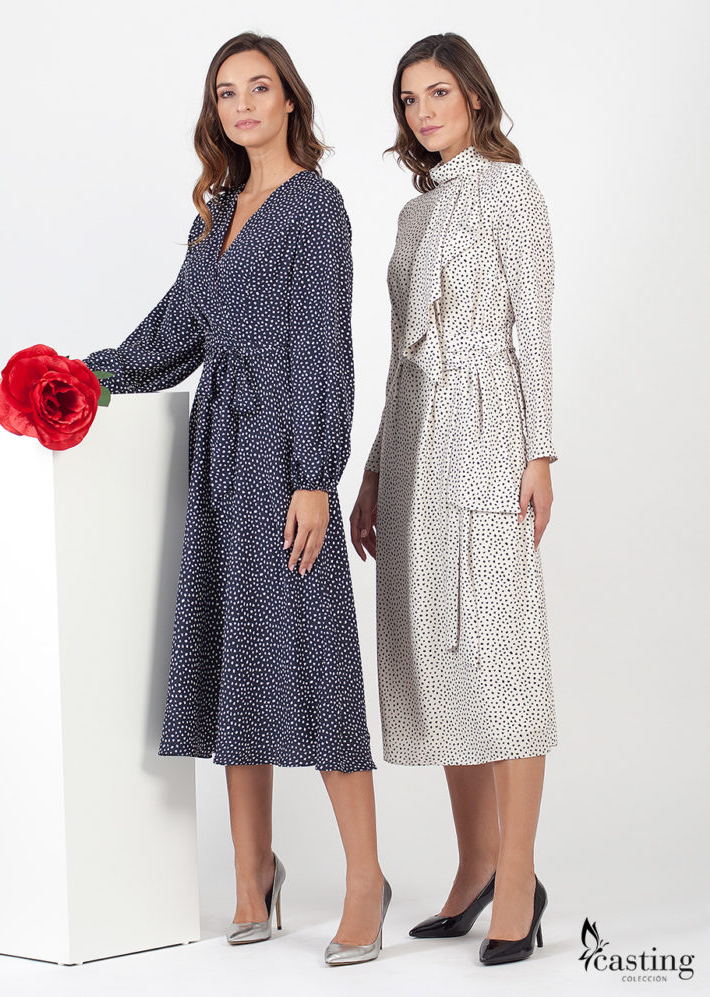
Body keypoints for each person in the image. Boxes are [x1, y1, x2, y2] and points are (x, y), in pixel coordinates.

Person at [0, 31, 390, 968]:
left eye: (259, 88)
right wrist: (55, 379)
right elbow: (169, 335)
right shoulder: (216, 212)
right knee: (232, 656)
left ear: (290, 100)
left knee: (317, 662)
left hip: (284, 455)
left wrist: (316, 473)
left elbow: (327, 346)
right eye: (226, 93)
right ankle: (252, 875)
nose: (243, 105)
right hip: (219, 460)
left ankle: (366, 880)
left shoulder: (315, 206)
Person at [350, 32, 558, 966]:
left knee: (501, 652)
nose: (423, 111)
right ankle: (475, 864)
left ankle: (518, 875)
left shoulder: (511, 189)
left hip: (487, 433)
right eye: (409, 98)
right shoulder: (413, 212)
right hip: (415, 444)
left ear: (473, 95)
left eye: (438, 92)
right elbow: (399, 356)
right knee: (441, 655)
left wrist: (540, 452)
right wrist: (374, 471)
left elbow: (533, 328)